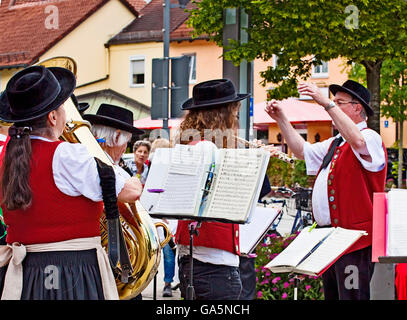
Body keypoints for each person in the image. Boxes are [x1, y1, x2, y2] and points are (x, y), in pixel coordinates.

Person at [0, 65, 143, 300]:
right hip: (71, 270)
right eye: (63, 107)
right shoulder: (67, 155)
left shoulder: (5, 156)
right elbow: (130, 191)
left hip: (26, 273)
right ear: (53, 116)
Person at [265, 80, 387, 300]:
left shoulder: (370, 137)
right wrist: (281, 119)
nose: (334, 107)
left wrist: (324, 102)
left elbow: (358, 142)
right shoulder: (337, 142)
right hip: (331, 238)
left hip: (354, 240)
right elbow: (302, 151)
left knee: (352, 296)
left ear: (357, 107)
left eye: (340, 103)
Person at [174, 78, 251, 300]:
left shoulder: (193, 146)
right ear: (222, 117)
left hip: (199, 261)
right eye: (234, 116)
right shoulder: (206, 149)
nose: (236, 122)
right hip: (212, 265)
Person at [83, 103, 144, 300]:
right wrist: (135, 179)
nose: (125, 147)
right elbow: (134, 192)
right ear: (116, 137)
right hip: (104, 262)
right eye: (125, 142)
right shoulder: (104, 167)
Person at [148, 138, 179, 297]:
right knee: (166, 252)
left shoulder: (170, 170)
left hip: (163, 216)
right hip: (159, 215)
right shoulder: (152, 169)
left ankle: (167, 282)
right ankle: (167, 283)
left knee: (166, 251)